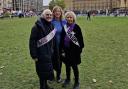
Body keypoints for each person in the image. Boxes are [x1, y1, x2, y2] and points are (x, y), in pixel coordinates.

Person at [29, 9, 55, 89]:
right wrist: (34, 55)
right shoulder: (36, 27)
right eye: (47, 14)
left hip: (48, 53)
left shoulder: (51, 25)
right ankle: (42, 87)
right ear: (43, 15)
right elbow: (32, 42)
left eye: (50, 15)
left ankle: (46, 85)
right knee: (42, 72)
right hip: (40, 54)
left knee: (46, 71)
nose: (49, 16)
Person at [61, 11, 84, 89]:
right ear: (66, 18)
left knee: (74, 66)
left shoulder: (77, 27)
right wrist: (62, 49)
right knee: (67, 66)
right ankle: (68, 79)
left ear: (73, 18)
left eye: (71, 17)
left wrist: (79, 50)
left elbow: (81, 40)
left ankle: (77, 82)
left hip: (74, 51)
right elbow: (61, 39)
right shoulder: (64, 27)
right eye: (68, 17)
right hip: (66, 50)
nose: (69, 18)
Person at [51, 5, 66, 83]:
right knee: (52, 60)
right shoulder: (50, 22)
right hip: (52, 45)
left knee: (59, 61)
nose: (57, 12)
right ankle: (51, 76)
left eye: (59, 11)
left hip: (61, 45)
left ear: (61, 12)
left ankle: (58, 75)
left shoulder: (64, 22)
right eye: (56, 11)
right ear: (53, 12)